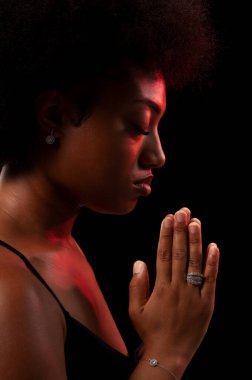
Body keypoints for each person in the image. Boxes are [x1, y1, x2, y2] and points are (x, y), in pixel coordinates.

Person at [0, 1, 220, 379]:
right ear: (54, 115)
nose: (159, 155)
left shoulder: (56, 241)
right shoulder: (11, 292)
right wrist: (168, 352)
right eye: (139, 125)